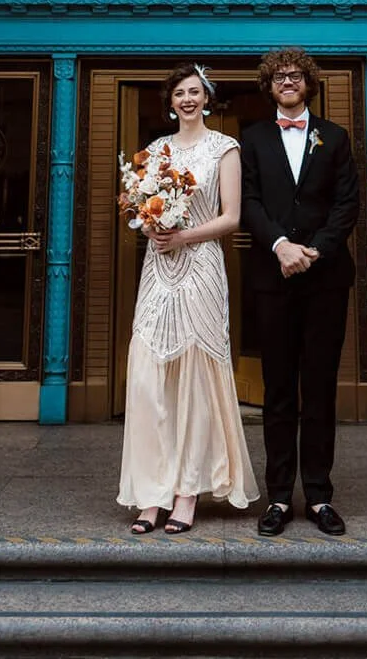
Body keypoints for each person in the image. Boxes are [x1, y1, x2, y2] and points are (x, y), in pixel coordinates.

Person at [117, 62, 259, 535]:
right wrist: (150, 220)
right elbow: (143, 207)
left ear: (208, 97)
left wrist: (185, 236)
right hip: (159, 269)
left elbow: (233, 217)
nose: (188, 99)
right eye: (180, 92)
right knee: (150, 379)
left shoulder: (225, 148)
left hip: (200, 268)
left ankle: (185, 494)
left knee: (196, 378)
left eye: (195, 91)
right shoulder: (156, 150)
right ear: (170, 101)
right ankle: (152, 494)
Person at [240, 47, 359, 537]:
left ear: (308, 84)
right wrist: (281, 246)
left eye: (295, 76)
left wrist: (313, 251)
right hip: (272, 280)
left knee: (320, 388)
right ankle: (279, 499)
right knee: (279, 391)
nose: (286, 82)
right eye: (278, 77)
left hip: (325, 278)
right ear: (269, 86)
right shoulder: (250, 138)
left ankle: (320, 496)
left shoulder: (334, 137)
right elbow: (246, 201)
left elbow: (347, 203)